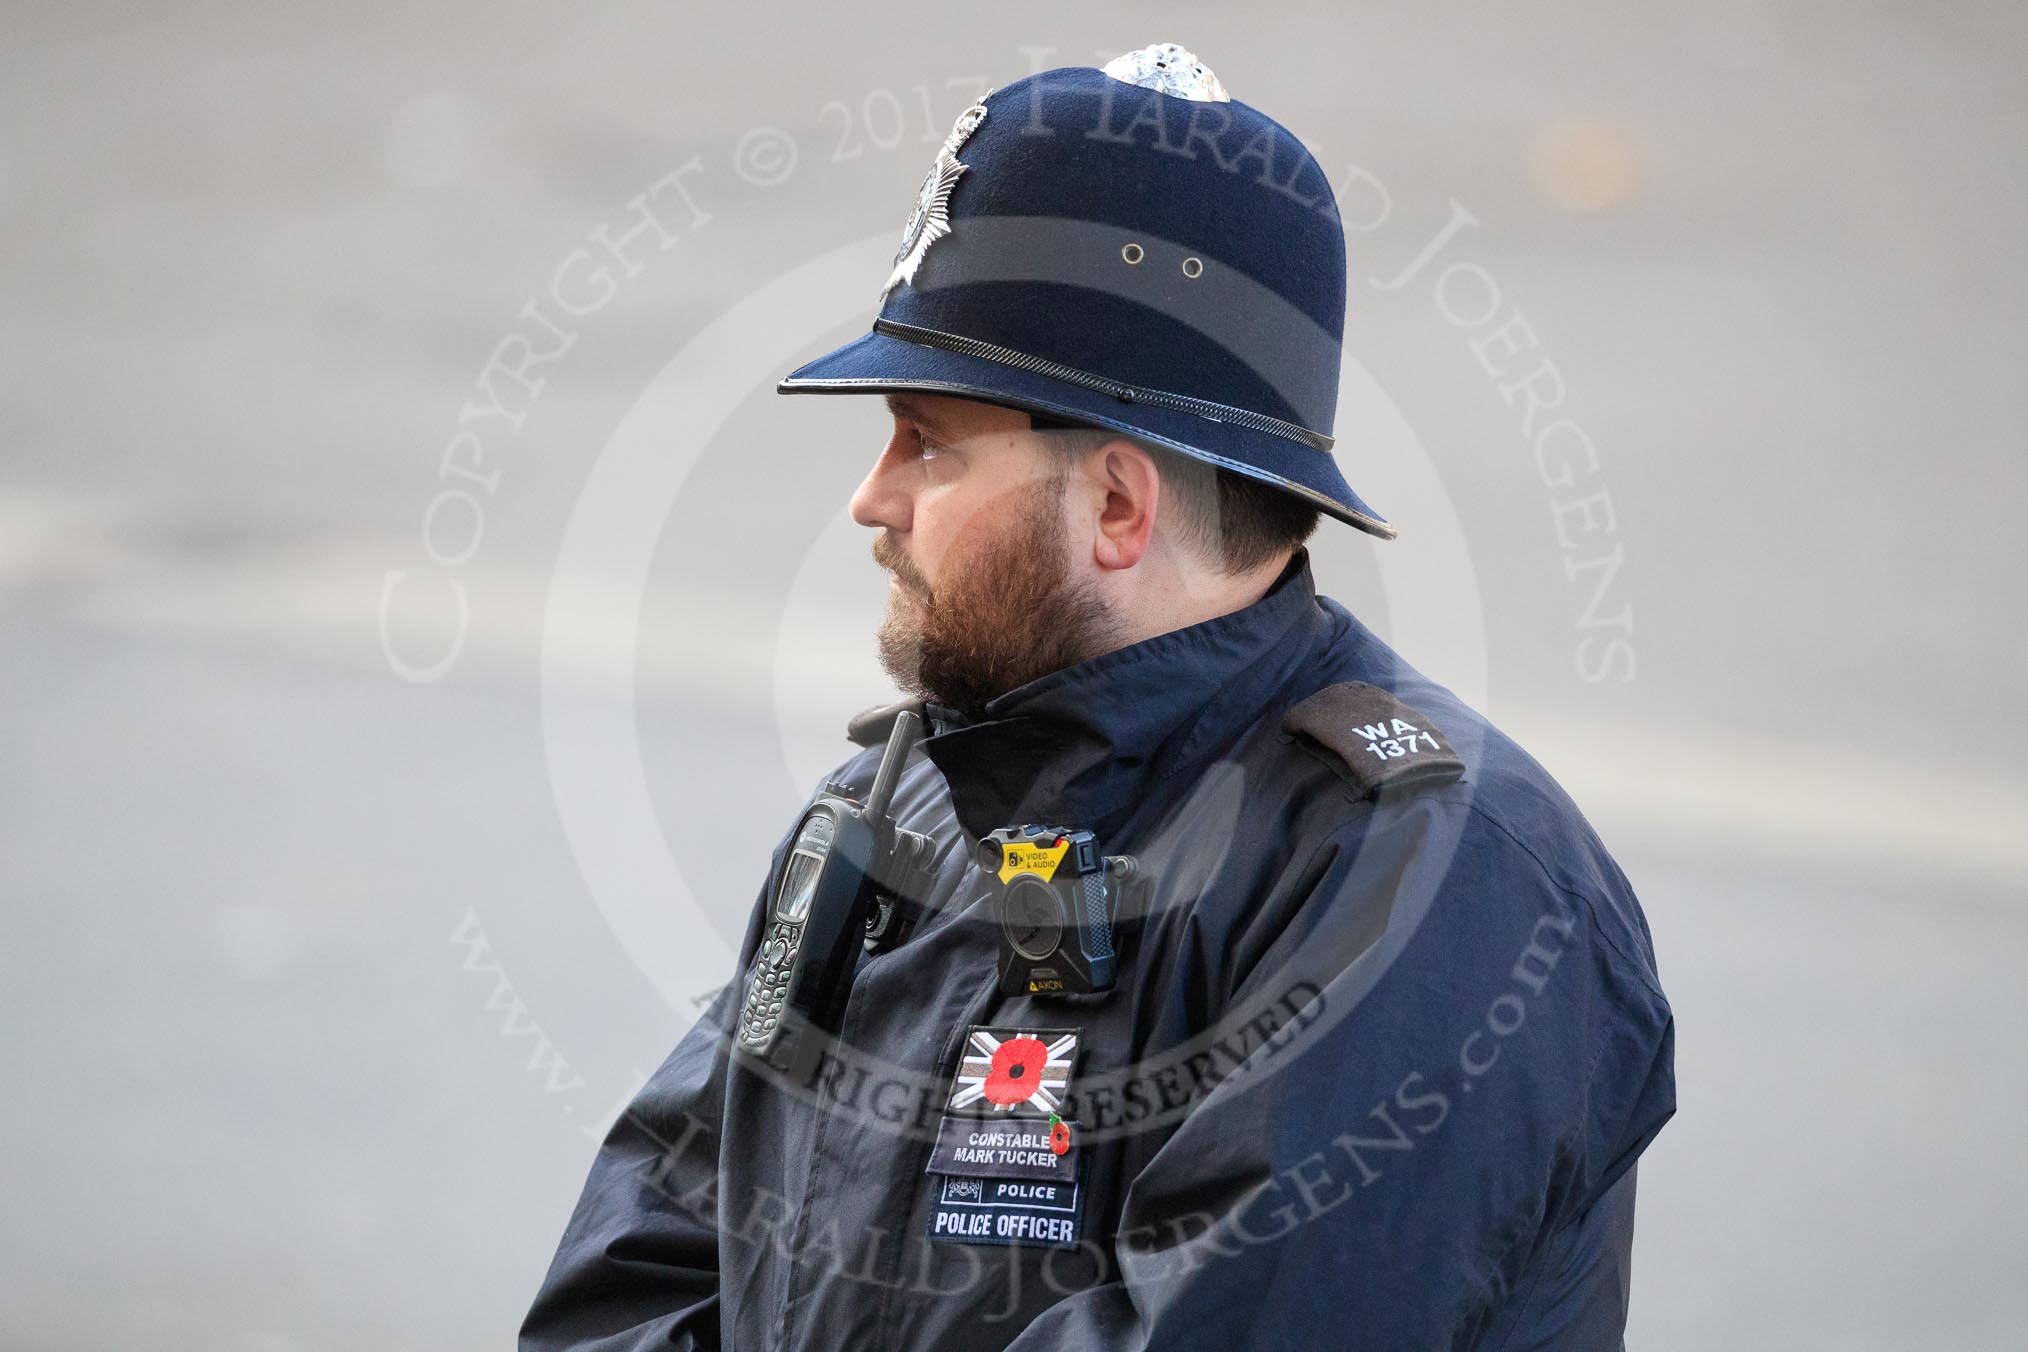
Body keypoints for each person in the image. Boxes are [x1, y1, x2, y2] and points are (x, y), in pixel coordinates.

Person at [521, 44, 1674, 1351]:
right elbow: (644, 1270)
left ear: (1116, 506)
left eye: (930, 441)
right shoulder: (898, 807)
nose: (871, 497)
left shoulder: (1429, 885)